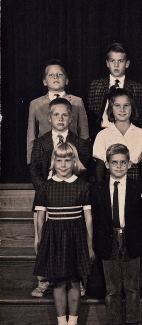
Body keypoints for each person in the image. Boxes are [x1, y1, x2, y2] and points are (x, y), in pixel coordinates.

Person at [33, 142, 95, 325]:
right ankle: (61, 324)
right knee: (58, 282)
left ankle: (73, 324)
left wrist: (89, 245)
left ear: (74, 161)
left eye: (67, 160)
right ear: (53, 162)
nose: (63, 164)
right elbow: (40, 217)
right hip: (54, 239)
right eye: (59, 160)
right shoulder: (45, 187)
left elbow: (88, 219)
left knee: (74, 282)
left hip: (75, 238)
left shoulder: (83, 186)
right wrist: (40, 241)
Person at [30, 98, 92, 299]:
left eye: (65, 114)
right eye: (56, 114)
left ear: (71, 118)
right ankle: (44, 279)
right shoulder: (40, 143)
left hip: (72, 198)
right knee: (45, 241)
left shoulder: (80, 143)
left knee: (74, 241)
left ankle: (78, 279)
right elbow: (35, 171)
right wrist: (47, 192)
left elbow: (84, 173)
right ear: (49, 117)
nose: (60, 118)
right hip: (48, 196)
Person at [91, 144, 142, 325]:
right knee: (112, 288)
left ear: (129, 163)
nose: (118, 166)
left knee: (132, 286)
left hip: (131, 240)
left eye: (123, 162)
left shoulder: (138, 187)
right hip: (108, 241)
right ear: (106, 164)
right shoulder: (97, 188)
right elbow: (96, 219)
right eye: (114, 162)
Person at [27, 59, 89, 165]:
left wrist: (84, 158)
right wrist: (31, 160)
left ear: (67, 80)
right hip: (45, 156)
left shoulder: (77, 101)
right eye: (51, 75)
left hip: (71, 155)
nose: (56, 77)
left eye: (60, 74)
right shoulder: (35, 104)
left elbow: (84, 132)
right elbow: (31, 135)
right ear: (44, 81)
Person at [87, 43, 142, 140]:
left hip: (126, 134)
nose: (116, 65)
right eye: (112, 61)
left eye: (121, 61)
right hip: (100, 132)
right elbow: (90, 116)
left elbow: (141, 119)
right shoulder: (96, 85)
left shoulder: (136, 87)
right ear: (107, 63)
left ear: (127, 63)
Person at [93, 88, 142, 182]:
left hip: (135, 183)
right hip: (110, 182)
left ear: (132, 107)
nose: (122, 110)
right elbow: (99, 167)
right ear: (111, 108)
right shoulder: (102, 135)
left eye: (126, 105)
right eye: (117, 106)